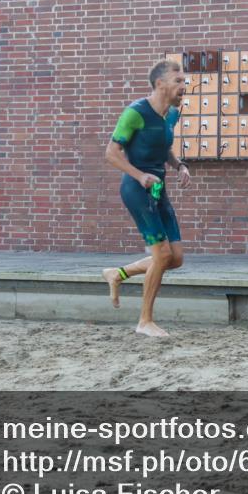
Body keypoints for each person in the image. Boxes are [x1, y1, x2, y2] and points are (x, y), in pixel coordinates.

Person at [101, 60, 191, 337]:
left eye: (184, 81)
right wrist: (139, 175)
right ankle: (144, 322)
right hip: (136, 189)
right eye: (178, 81)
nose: (183, 86)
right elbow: (111, 153)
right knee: (161, 254)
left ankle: (118, 274)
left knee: (175, 258)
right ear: (160, 84)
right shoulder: (135, 113)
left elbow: (163, 147)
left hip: (158, 188)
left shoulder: (172, 115)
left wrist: (179, 166)